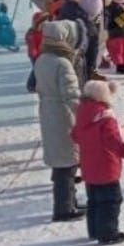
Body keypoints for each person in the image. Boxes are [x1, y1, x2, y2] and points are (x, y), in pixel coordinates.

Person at [70, 80, 124, 245]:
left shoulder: (82, 113)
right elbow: (113, 141)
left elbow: (74, 136)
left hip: (88, 165)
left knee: (94, 200)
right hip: (106, 165)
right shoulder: (105, 117)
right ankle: (108, 233)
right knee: (111, 200)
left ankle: (94, 231)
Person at [35, 20, 83, 222]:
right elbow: (71, 95)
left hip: (48, 112)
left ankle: (69, 201)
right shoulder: (63, 63)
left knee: (60, 161)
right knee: (67, 162)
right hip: (63, 115)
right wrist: (84, 114)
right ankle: (63, 208)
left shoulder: (42, 59)